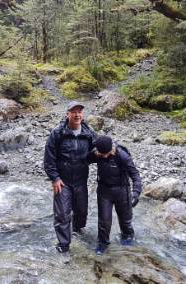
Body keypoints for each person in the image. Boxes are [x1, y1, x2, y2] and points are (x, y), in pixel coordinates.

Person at [43, 101, 96, 254]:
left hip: (81, 180)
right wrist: (55, 178)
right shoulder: (58, 132)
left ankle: (77, 231)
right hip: (63, 181)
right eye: (74, 112)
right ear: (68, 114)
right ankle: (63, 245)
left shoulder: (88, 132)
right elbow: (49, 158)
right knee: (62, 214)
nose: (77, 115)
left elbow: (96, 150)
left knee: (81, 212)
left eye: (80, 112)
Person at [87, 135, 142, 255]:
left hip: (122, 191)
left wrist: (136, 193)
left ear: (111, 149)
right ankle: (103, 243)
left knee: (125, 220)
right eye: (101, 154)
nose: (104, 156)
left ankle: (127, 238)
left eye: (106, 154)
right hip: (104, 191)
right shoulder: (97, 153)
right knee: (104, 221)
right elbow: (84, 160)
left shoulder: (122, 156)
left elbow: (135, 175)